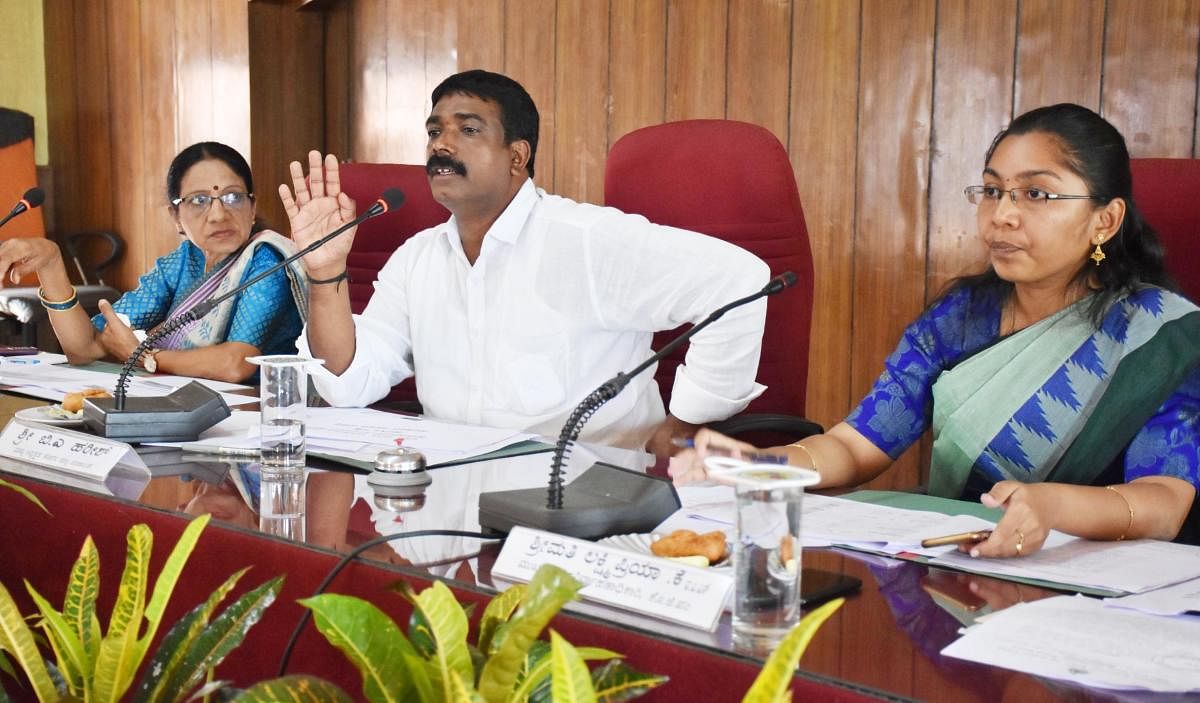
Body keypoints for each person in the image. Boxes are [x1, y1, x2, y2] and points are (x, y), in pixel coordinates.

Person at [672, 103, 1200, 555]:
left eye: (1036, 195)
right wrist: (764, 464)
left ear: (1104, 221)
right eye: (992, 192)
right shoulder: (960, 317)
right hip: (964, 562)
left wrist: (1054, 506)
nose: (1002, 216)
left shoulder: (1160, 338)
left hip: (1096, 584)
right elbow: (856, 448)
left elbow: (1163, 504)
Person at [281, 69, 769, 456]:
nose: (440, 145)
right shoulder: (417, 259)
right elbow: (347, 381)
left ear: (517, 156)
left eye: (467, 130)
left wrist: (685, 423)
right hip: (449, 493)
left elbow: (738, 280)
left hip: (582, 498)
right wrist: (325, 274)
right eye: (434, 131)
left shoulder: (586, 241)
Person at [0, 142, 307, 383]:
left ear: (252, 208)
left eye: (233, 197)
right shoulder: (182, 262)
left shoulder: (266, 260)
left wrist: (143, 356)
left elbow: (236, 364)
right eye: (199, 200)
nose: (218, 214)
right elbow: (86, 348)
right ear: (175, 217)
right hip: (185, 404)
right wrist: (51, 266)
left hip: (256, 414)